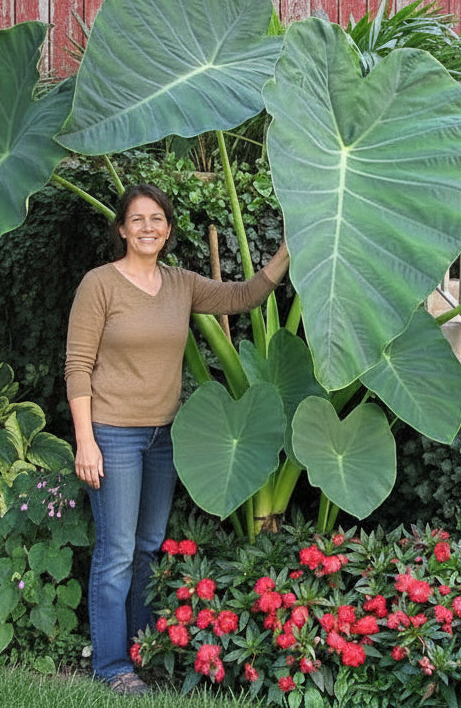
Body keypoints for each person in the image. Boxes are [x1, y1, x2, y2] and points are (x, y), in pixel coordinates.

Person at [64, 183, 289, 695]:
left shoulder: (180, 284)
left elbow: (243, 295)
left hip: (163, 435)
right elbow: (77, 367)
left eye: (157, 219)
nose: (148, 227)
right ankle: (113, 667)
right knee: (117, 551)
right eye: (137, 219)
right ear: (122, 228)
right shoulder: (99, 285)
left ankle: (143, 652)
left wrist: (286, 252)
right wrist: (86, 441)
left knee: (146, 548)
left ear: (167, 228)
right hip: (113, 434)